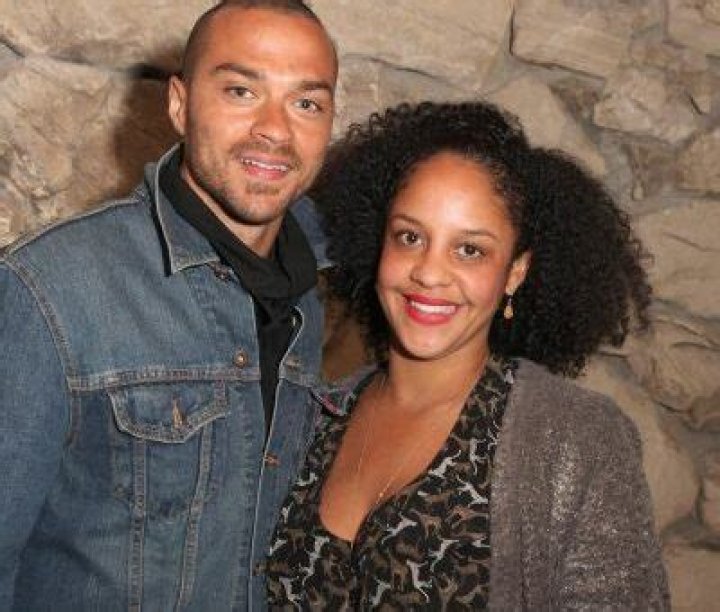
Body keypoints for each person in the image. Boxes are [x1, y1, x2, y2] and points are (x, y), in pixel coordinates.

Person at [265, 101, 670, 609]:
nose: (429, 273)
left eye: (470, 250)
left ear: (515, 272)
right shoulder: (314, 416)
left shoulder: (575, 439)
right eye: (410, 237)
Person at [0, 1, 336, 610]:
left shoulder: (315, 297)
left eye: (306, 103)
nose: (275, 129)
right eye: (241, 91)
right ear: (179, 104)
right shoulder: (49, 288)